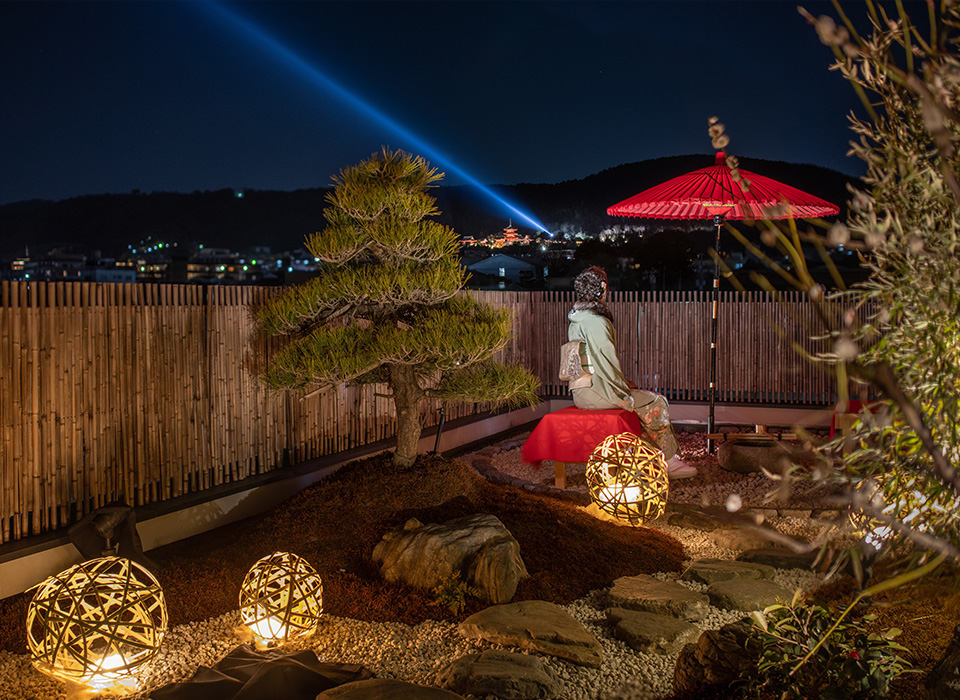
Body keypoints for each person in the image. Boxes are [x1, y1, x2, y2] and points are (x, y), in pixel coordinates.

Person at [567, 266, 697, 479]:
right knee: (656, 401)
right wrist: (622, 390)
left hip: (581, 391)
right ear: (602, 289)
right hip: (599, 392)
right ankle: (669, 461)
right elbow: (606, 363)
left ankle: (652, 457)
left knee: (641, 401)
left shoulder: (576, 319)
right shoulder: (597, 321)